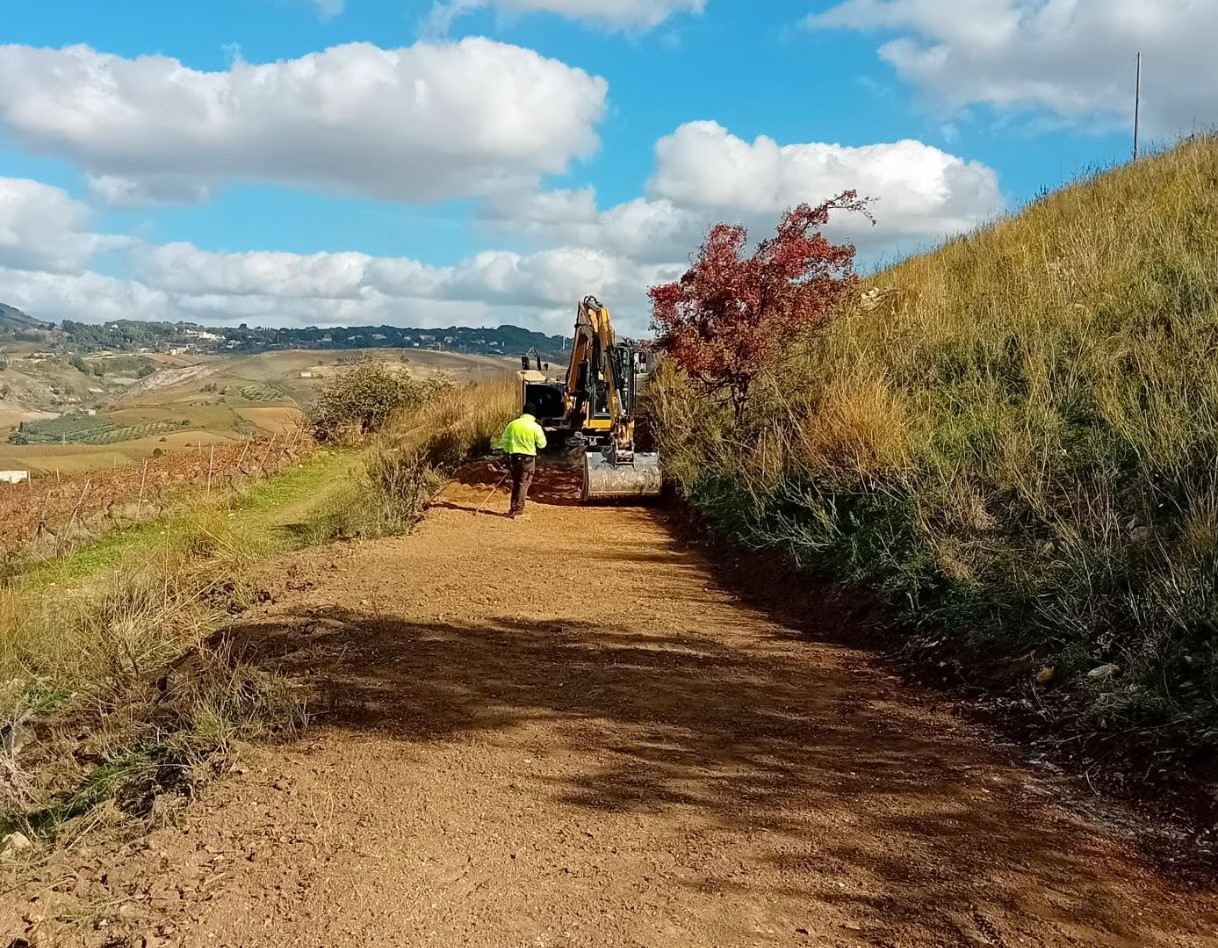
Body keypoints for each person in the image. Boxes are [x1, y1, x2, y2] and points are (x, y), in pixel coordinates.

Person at [496, 403, 548, 518]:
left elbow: (504, 442)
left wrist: (509, 451)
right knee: (524, 483)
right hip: (528, 459)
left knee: (516, 483)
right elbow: (542, 444)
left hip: (514, 458)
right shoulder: (535, 427)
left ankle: (513, 507)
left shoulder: (512, 424)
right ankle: (518, 510)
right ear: (533, 414)